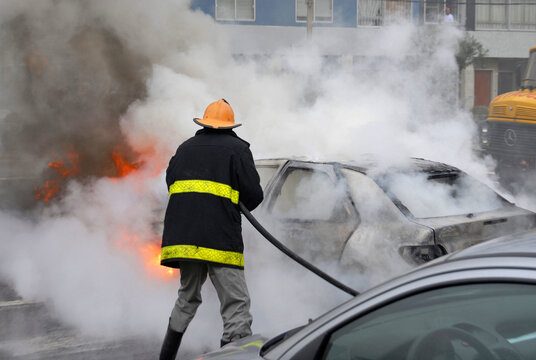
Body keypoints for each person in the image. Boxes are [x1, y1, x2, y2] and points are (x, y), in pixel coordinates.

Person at [159, 99, 264, 360]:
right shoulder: (238, 150)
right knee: (235, 305)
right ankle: (235, 356)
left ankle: (165, 357)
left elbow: (171, 181)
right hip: (220, 239)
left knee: (187, 297)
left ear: (204, 123)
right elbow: (254, 195)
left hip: (184, 238)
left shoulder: (184, 149)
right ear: (230, 126)